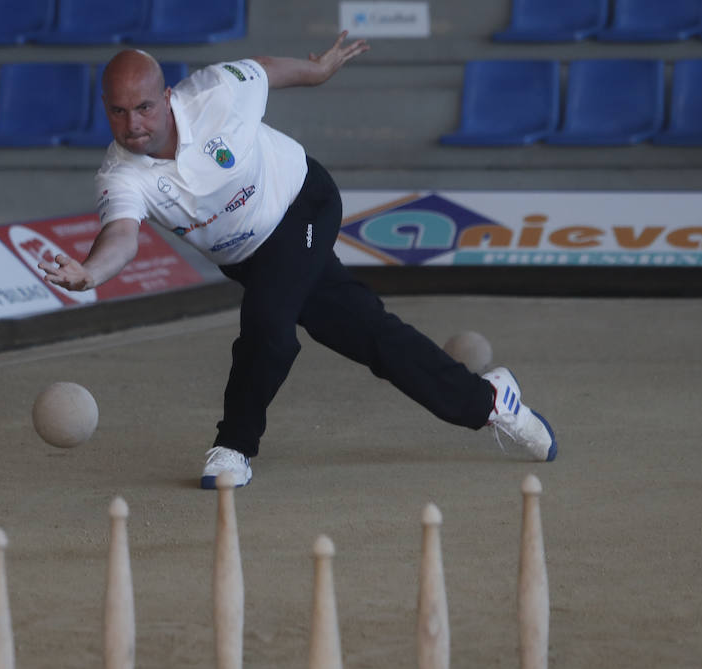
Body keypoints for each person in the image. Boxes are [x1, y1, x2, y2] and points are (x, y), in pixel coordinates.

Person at [39, 35, 557, 489]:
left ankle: (234, 447)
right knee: (367, 333)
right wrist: (92, 273)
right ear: (105, 110)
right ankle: (487, 402)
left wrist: (320, 70)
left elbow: (266, 69)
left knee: (268, 325)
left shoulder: (216, 92)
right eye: (119, 112)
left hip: (301, 202)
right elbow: (122, 236)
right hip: (251, 258)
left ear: (168, 95)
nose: (134, 125)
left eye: (145, 107)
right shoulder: (120, 174)